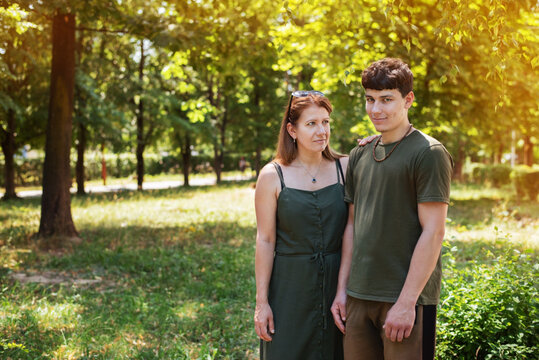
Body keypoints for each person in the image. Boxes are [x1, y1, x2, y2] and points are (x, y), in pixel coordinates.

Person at [331, 58, 453, 360]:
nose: (376, 110)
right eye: (370, 100)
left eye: (386, 100)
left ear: (408, 100)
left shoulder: (429, 153)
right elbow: (352, 226)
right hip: (359, 297)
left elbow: (434, 231)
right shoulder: (361, 154)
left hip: (404, 300)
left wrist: (406, 302)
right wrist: (343, 290)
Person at [254, 90, 352, 360]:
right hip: (289, 287)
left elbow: (351, 231)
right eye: (311, 124)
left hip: (337, 284)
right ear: (292, 130)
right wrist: (262, 303)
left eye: (326, 122)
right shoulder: (272, 176)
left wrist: (343, 289)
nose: (321, 131)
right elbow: (265, 240)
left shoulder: (346, 167)